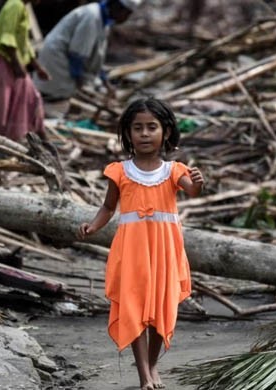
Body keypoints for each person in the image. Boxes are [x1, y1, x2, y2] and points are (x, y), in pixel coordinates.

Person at [76, 97, 204, 390]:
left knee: (163, 305)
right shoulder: (119, 171)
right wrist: (93, 226)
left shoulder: (174, 170)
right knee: (133, 306)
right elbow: (109, 208)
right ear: (127, 133)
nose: (145, 134)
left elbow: (193, 191)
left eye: (151, 127)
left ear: (166, 132)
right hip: (131, 249)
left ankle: (153, 362)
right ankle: (144, 375)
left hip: (165, 250)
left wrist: (198, 182)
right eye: (137, 128)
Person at [34, 0, 140, 101]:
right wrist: (80, 84)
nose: (126, 18)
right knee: (55, 96)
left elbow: (97, 58)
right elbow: (77, 54)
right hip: (58, 59)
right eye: (127, 14)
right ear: (118, 8)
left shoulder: (104, 22)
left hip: (65, 60)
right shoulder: (91, 16)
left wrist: (106, 83)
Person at [0, 0, 51, 141]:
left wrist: (37, 67)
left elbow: (24, 43)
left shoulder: (23, 8)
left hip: (13, 62)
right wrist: (17, 65)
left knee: (31, 98)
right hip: (1, 59)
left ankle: (40, 141)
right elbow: (7, 38)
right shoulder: (15, 5)